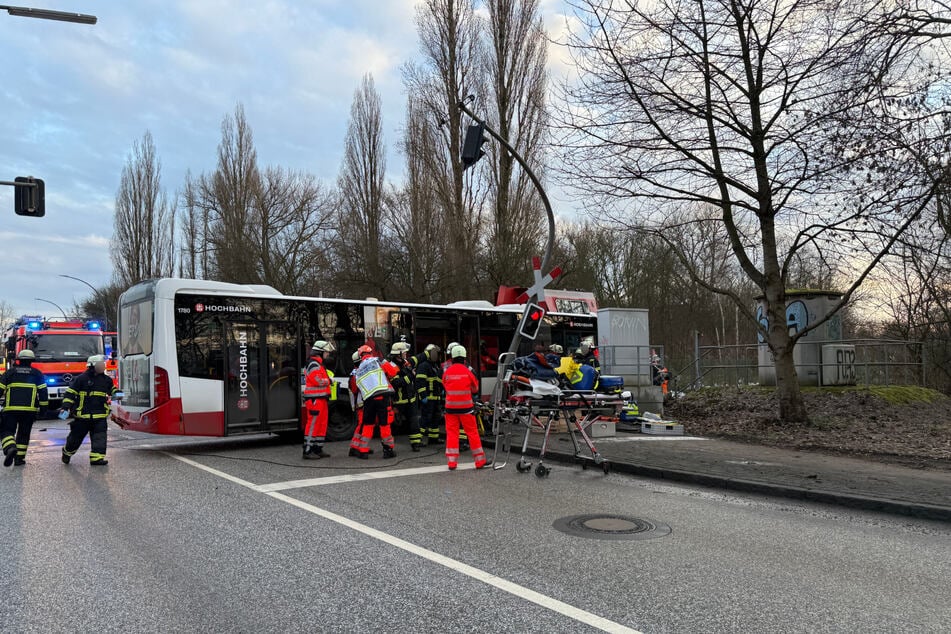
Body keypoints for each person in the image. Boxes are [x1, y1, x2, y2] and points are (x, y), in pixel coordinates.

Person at [60, 355, 116, 466]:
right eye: (101, 364)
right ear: (92, 366)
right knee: (75, 439)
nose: (103, 367)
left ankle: (96, 458)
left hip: (99, 416)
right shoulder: (81, 379)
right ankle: (67, 452)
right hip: (82, 417)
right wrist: (66, 407)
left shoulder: (106, 380)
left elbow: (113, 390)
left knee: (100, 437)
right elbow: (70, 393)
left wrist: (119, 394)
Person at [441, 344, 489, 470]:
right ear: (464, 358)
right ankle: (479, 461)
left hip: (450, 409)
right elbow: (475, 389)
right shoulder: (468, 371)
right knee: (472, 433)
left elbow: (445, 386)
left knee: (452, 434)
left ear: (452, 357)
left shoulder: (447, 372)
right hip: (466, 409)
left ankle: (451, 463)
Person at [0, 349, 48, 467]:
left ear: (19, 360)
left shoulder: (9, 373)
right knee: (24, 434)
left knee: (6, 431)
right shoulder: (37, 374)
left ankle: (10, 447)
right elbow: (43, 393)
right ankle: (19, 458)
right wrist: (43, 410)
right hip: (29, 411)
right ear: (31, 361)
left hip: (11, 410)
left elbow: (0, 390)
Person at [352, 345, 396, 459]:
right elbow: (392, 372)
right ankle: (388, 449)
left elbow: (357, 387)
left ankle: (363, 450)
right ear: (371, 352)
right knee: (384, 424)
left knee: (368, 424)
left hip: (368, 399)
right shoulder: (378, 360)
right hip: (382, 396)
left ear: (360, 355)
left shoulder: (358, 370)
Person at [385, 342, 422, 452]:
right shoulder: (391, 366)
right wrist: (411, 376)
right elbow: (397, 382)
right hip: (398, 401)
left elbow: (418, 358)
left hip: (411, 399)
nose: (406, 354)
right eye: (404, 352)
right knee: (391, 424)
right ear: (398, 354)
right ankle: (388, 447)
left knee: (414, 422)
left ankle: (416, 443)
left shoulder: (406, 363)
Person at [302, 340, 335, 460]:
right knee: (313, 425)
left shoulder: (318, 364)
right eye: (326, 352)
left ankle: (317, 448)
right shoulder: (313, 364)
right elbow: (318, 381)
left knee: (321, 424)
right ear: (320, 352)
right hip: (315, 400)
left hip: (321, 399)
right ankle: (308, 450)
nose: (328, 355)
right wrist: (329, 381)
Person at [440, 342, 470, 450]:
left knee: (452, 426)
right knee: (464, 425)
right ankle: (462, 442)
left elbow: (442, 381)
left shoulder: (444, 366)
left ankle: (454, 445)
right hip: (465, 401)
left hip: (449, 400)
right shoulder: (466, 365)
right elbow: (474, 382)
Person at [412, 344, 444, 445]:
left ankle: (433, 438)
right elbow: (420, 382)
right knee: (425, 418)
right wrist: (423, 396)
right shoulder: (423, 365)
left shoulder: (434, 365)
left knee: (435, 418)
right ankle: (418, 439)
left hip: (435, 397)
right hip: (428, 397)